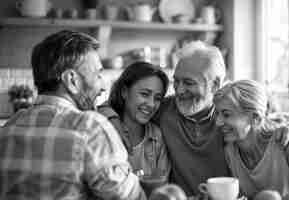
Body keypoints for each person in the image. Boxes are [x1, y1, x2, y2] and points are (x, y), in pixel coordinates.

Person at [0, 30, 146, 200]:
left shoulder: (10, 127)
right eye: (98, 75)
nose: (103, 86)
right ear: (72, 80)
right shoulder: (90, 128)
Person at [153, 41, 289, 196]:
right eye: (176, 81)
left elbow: (259, 120)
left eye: (188, 83)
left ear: (215, 84)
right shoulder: (162, 109)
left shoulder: (231, 119)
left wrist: (284, 127)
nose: (179, 90)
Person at [213, 79, 289, 199]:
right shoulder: (230, 152)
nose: (218, 122)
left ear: (255, 118)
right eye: (217, 114)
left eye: (226, 114)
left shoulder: (283, 142)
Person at [98, 61, 171, 181]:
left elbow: (162, 186)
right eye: (144, 94)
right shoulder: (104, 128)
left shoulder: (156, 136)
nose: (151, 104)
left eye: (157, 98)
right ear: (124, 92)